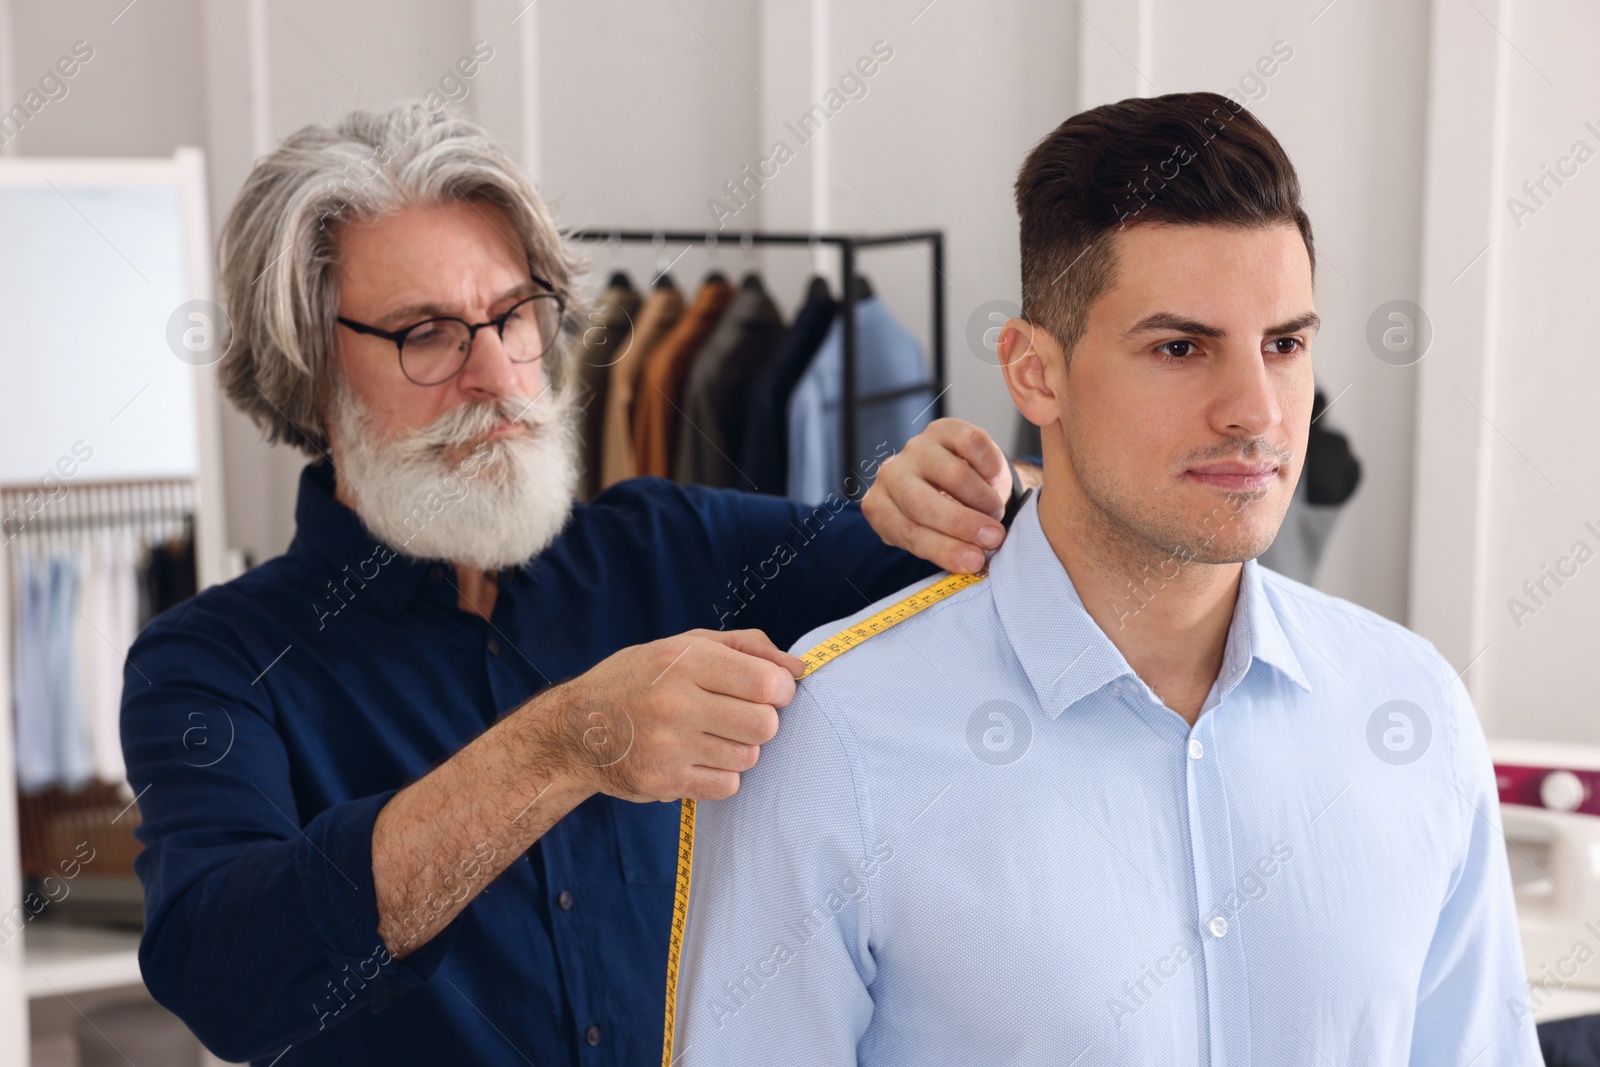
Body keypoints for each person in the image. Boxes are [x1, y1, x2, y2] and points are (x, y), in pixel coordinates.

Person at [120, 103, 1038, 1066]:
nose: (498, 372)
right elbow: (224, 972)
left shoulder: (669, 544)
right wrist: (561, 746)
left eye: (513, 314)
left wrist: (974, 487)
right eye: (425, 333)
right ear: (311, 366)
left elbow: (996, 559)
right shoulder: (214, 661)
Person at [675, 92, 1540, 1065]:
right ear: (1034, 373)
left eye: (1285, 344)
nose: (1255, 410)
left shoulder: (1412, 707)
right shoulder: (835, 741)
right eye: (1180, 347)